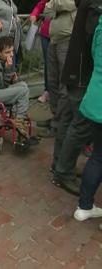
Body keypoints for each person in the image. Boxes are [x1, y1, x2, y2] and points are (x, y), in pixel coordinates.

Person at [53, 0, 102, 196]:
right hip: (83, 73)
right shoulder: (95, 5)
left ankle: (60, 165)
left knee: (68, 120)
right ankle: (63, 171)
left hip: (76, 70)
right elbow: (93, 39)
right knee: (80, 125)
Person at [0, 36, 39, 147]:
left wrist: (12, 78)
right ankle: (19, 120)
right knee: (23, 91)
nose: (11, 55)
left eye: (12, 51)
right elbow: (3, 86)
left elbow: (5, 84)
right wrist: (7, 70)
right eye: (7, 52)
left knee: (23, 85)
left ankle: (18, 116)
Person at [73, 15, 102, 221]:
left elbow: (94, 53)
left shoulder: (100, 25)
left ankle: (84, 207)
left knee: (98, 157)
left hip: (96, 98)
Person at [43, 0, 77, 174]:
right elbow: (46, 9)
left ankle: (59, 123)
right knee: (53, 84)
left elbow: (70, 4)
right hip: (54, 39)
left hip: (68, 38)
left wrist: (55, 5)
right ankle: (56, 121)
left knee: (65, 88)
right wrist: (56, 6)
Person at [29, 0, 51, 104]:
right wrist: (34, 14)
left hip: (62, 35)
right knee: (47, 63)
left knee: (59, 64)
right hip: (46, 34)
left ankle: (58, 92)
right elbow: (40, 5)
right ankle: (47, 91)